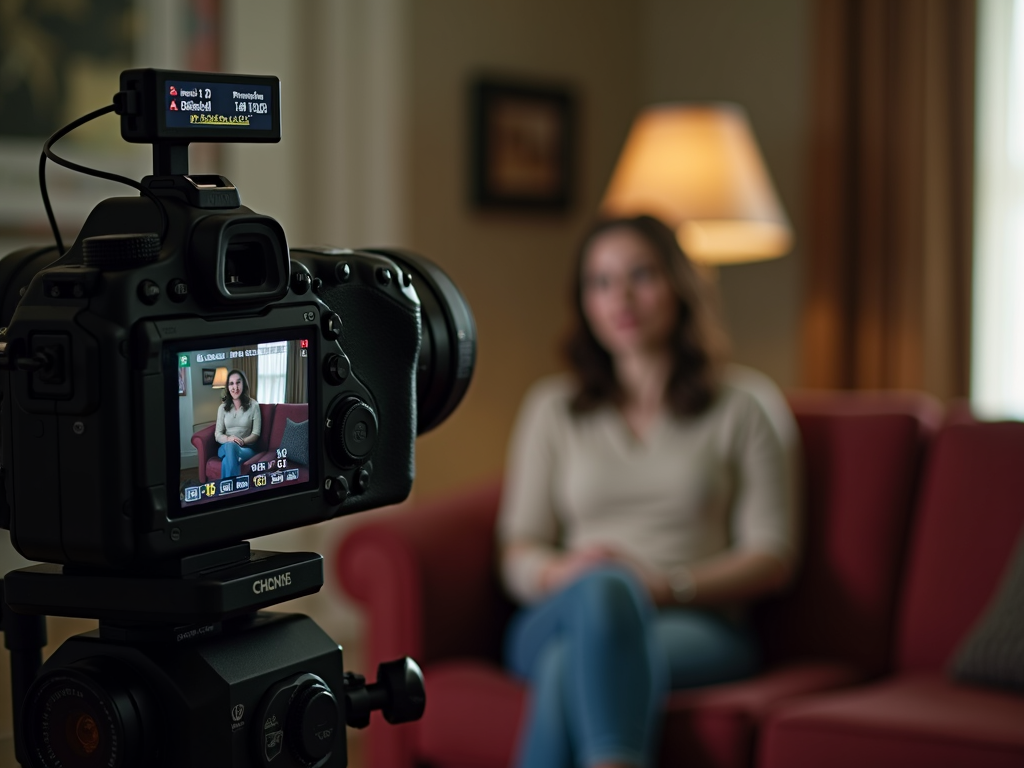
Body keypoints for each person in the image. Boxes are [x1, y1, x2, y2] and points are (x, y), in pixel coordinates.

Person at [497, 215, 800, 768]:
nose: (622, 298)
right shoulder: (553, 409)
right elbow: (519, 547)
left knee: (571, 666)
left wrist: (665, 585)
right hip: (566, 609)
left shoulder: (746, 406)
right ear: (584, 300)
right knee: (603, 592)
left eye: (642, 275)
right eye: (601, 281)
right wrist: (563, 574)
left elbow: (772, 557)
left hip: (698, 622)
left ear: (680, 285)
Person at [215, 369, 262, 478]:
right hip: (225, 447)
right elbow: (218, 434)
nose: (235, 387)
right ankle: (237, 487)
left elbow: (256, 434)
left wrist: (241, 441)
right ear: (227, 387)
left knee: (227, 460)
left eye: (238, 382)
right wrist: (228, 439)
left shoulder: (254, 405)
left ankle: (227, 491)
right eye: (231, 383)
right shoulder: (222, 408)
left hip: (245, 449)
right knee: (230, 446)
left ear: (243, 384)